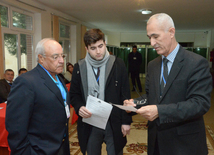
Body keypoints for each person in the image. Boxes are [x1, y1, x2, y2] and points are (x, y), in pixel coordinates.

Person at [124, 13, 212, 155]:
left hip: (184, 144)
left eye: (155, 36)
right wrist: (136, 103)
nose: (152, 43)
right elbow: (151, 95)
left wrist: (159, 111)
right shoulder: (153, 65)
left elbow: (199, 103)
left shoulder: (196, 63)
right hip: (156, 140)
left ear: (171, 32)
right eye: (149, 38)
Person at [70, 29, 132, 155]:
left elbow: (125, 94)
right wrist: (79, 107)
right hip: (91, 122)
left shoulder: (117, 64)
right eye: (93, 48)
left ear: (105, 44)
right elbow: (74, 94)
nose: (98, 51)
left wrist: (126, 121)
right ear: (86, 48)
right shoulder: (79, 67)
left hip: (113, 121)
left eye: (101, 46)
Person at [6, 38, 70, 155]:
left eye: (62, 56)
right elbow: (16, 126)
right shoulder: (26, 82)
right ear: (41, 58)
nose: (61, 61)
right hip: (39, 150)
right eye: (56, 57)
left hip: (61, 145)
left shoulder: (59, 78)